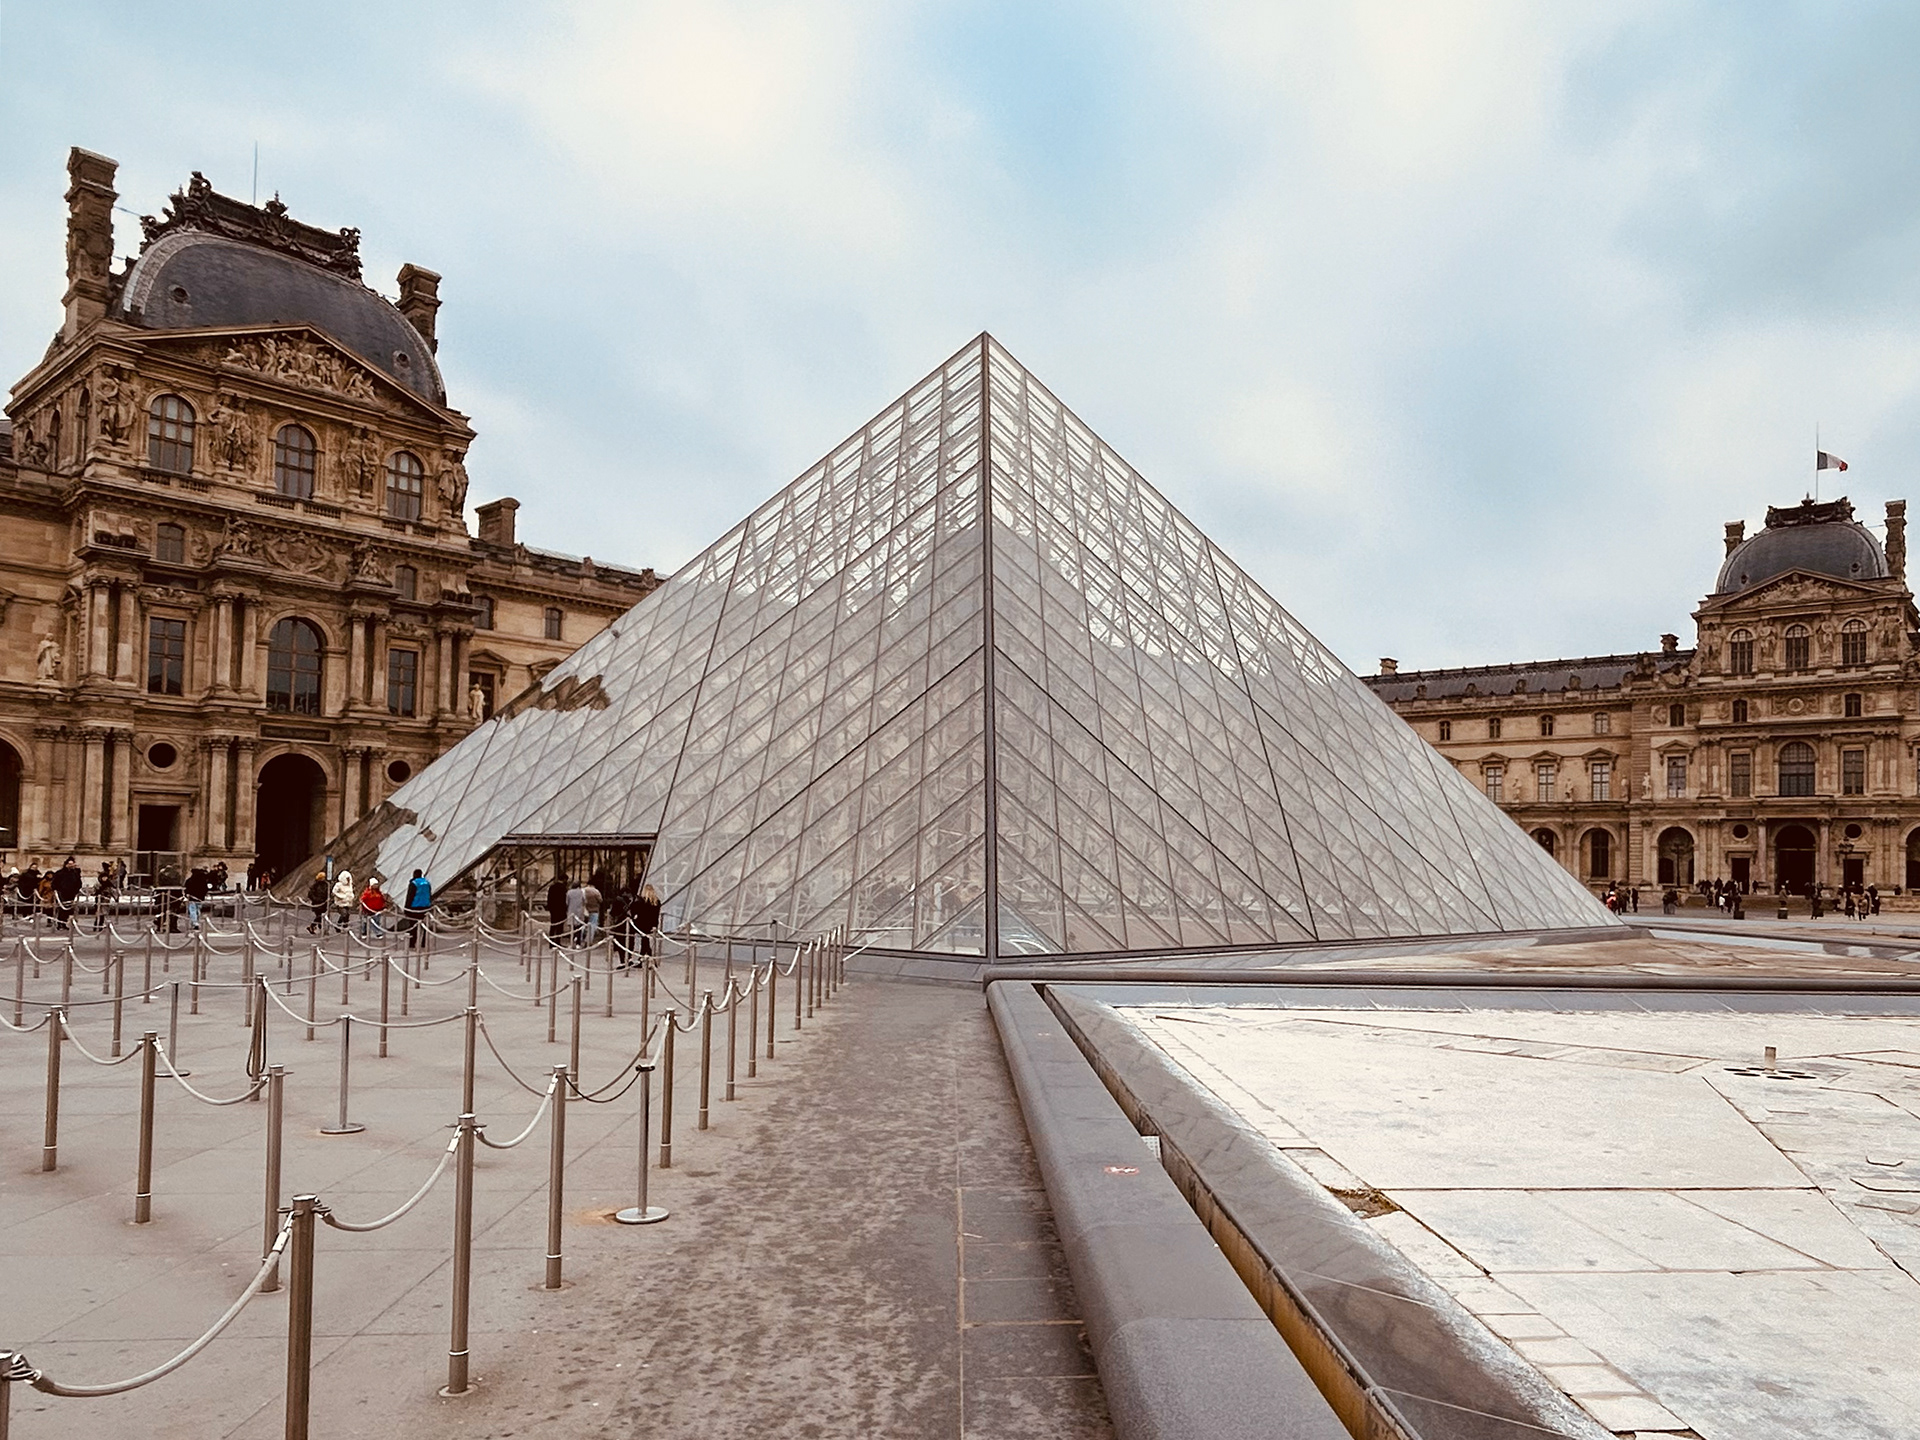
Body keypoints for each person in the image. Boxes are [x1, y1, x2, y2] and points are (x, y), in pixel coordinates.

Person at [50, 856, 83, 929]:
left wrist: (76, 890)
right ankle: (59, 923)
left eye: (72, 864)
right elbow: (54, 883)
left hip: (72, 893)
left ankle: (65, 923)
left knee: (69, 909)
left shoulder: (75, 873)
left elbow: (78, 882)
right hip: (62, 893)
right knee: (61, 908)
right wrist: (57, 890)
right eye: (69, 864)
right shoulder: (60, 873)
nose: (71, 865)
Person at [402, 868, 433, 948]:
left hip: (415, 907)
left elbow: (410, 896)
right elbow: (429, 894)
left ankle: (412, 943)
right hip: (425, 906)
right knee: (424, 925)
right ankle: (423, 943)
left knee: (413, 926)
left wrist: (406, 908)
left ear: (414, 875)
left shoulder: (414, 883)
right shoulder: (427, 883)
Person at [632, 884, 662, 963]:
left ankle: (645, 958)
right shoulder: (656, 902)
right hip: (650, 924)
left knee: (644, 940)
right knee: (645, 940)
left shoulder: (641, 901)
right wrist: (655, 925)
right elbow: (656, 915)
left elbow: (635, 912)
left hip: (641, 923)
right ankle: (646, 958)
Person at [183, 866, 211, 931]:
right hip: (200, 898)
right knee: (198, 910)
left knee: (192, 910)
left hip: (192, 898)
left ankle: (195, 923)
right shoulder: (203, 880)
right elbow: (205, 889)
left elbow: (187, 888)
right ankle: (196, 921)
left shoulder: (190, 880)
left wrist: (187, 894)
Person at [546, 874, 570, 944]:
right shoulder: (563, 888)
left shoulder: (552, 887)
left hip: (553, 909)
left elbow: (549, 898)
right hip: (561, 909)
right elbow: (565, 900)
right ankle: (557, 942)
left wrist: (550, 907)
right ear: (564, 880)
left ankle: (551, 942)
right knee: (559, 927)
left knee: (553, 925)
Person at [331, 867, 356, 933]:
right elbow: (334, 892)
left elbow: (351, 892)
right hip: (340, 903)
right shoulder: (338, 885)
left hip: (348, 902)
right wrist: (341, 896)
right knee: (344, 914)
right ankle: (341, 925)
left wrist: (351, 897)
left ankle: (343, 925)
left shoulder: (350, 885)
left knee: (347, 915)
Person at [580, 877, 603, 945]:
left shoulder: (583, 890)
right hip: (594, 910)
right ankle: (589, 940)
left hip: (584, 910)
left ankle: (581, 938)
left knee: (583, 925)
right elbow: (600, 900)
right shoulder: (596, 891)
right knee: (592, 926)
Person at [564, 877, 587, 946]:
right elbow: (585, 901)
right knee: (579, 928)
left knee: (572, 927)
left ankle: (572, 940)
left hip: (571, 911)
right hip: (579, 911)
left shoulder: (569, 892)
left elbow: (567, 902)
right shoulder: (581, 892)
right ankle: (578, 943)